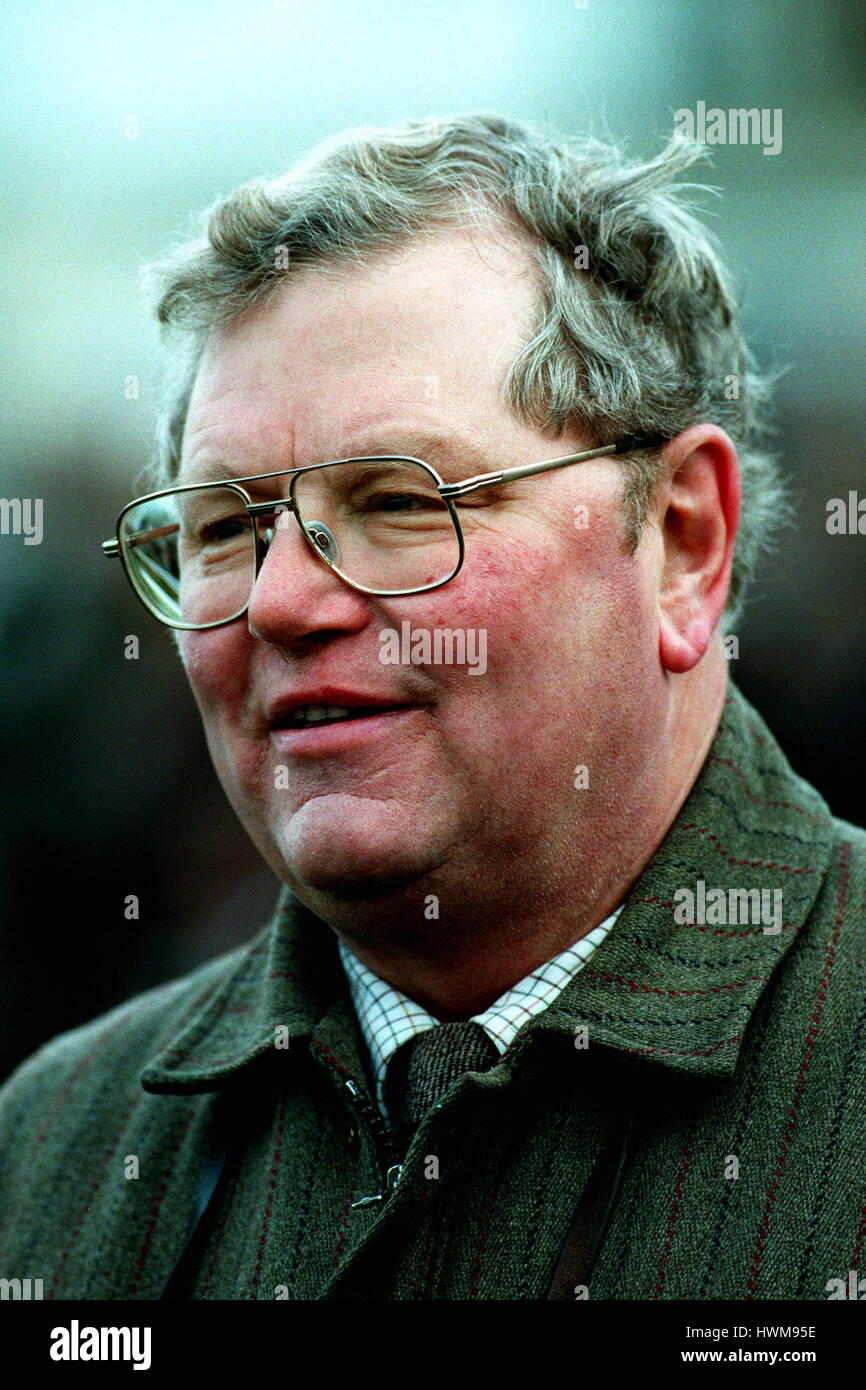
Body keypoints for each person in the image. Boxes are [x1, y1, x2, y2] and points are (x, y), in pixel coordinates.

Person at [0, 112, 863, 1303]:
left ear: (678, 542)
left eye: (400, 502)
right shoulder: (49, 1151)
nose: (279, 601)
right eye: (222, 528)